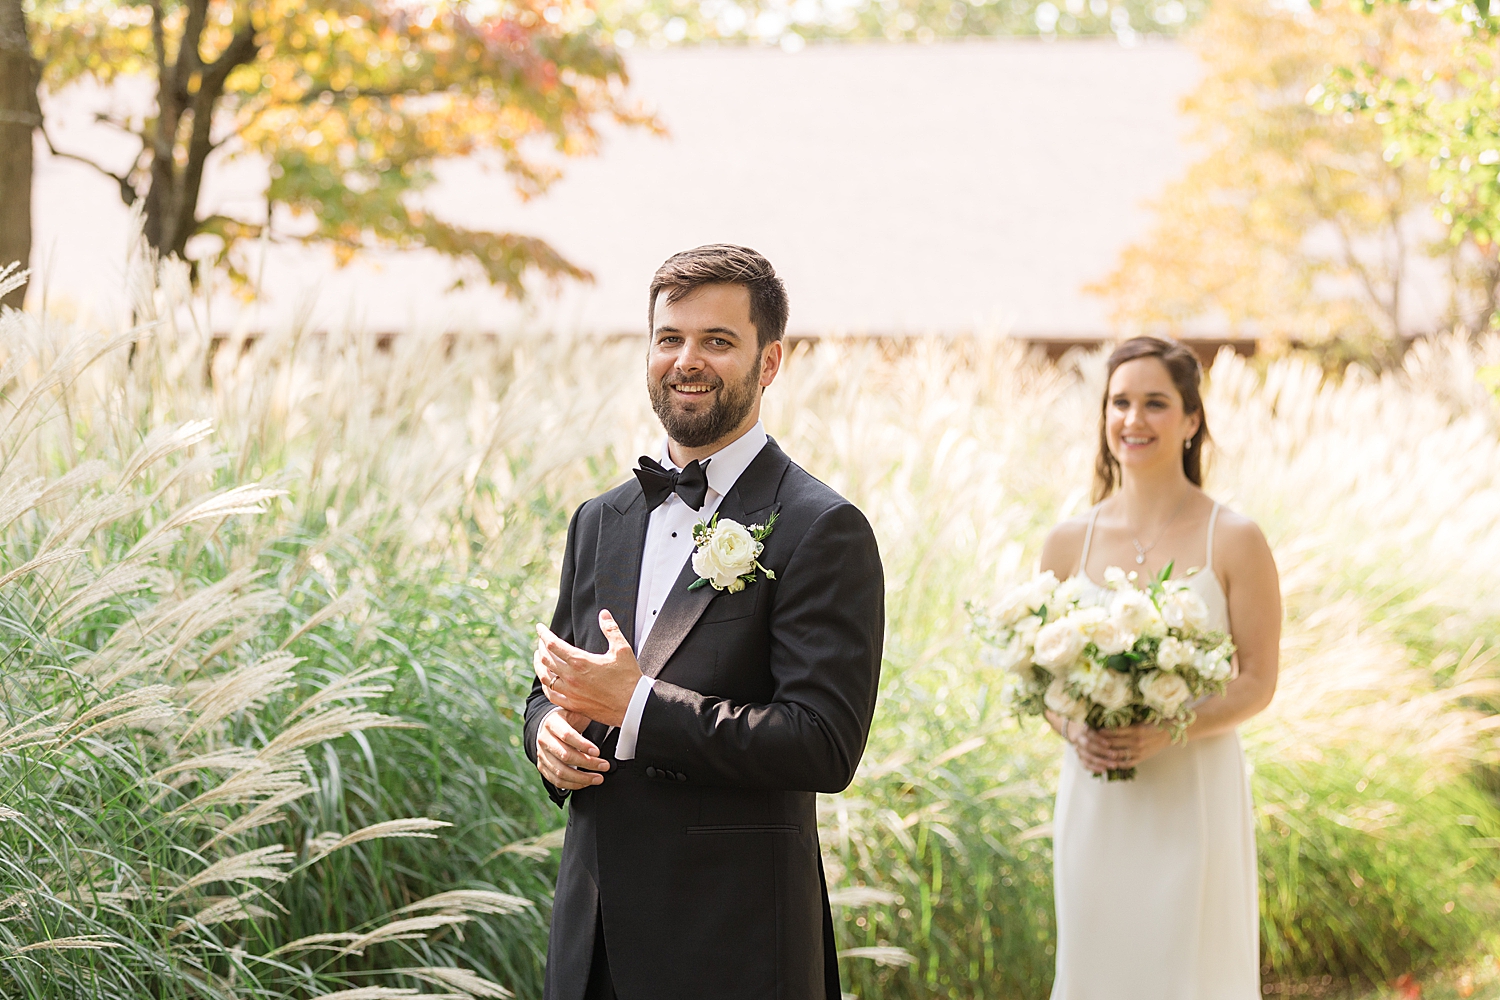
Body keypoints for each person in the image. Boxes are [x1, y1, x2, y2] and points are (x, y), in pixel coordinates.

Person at [524, 245, 885, 1000]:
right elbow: (552, 686)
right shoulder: (600, 519)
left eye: (717, 341)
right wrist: (546, 737)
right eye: (670, 338)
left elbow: (823, 744)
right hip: (592, 945)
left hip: (734, 948)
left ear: (770, 361)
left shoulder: (822, 527)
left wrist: (639, 707)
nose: (687, 360)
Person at [1036, 336, 1282, 999]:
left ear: (1192, 419)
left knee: (1189, 968)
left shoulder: (1233, 538)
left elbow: (1258, 680)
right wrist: (1073, 728)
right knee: (1097, 969)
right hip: (1096, 799)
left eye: (1154, 403)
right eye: (1119, 403)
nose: (1133, 420)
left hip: (1191, 792)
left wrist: (1169, 726)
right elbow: (1044, 681)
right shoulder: (1066, 542)